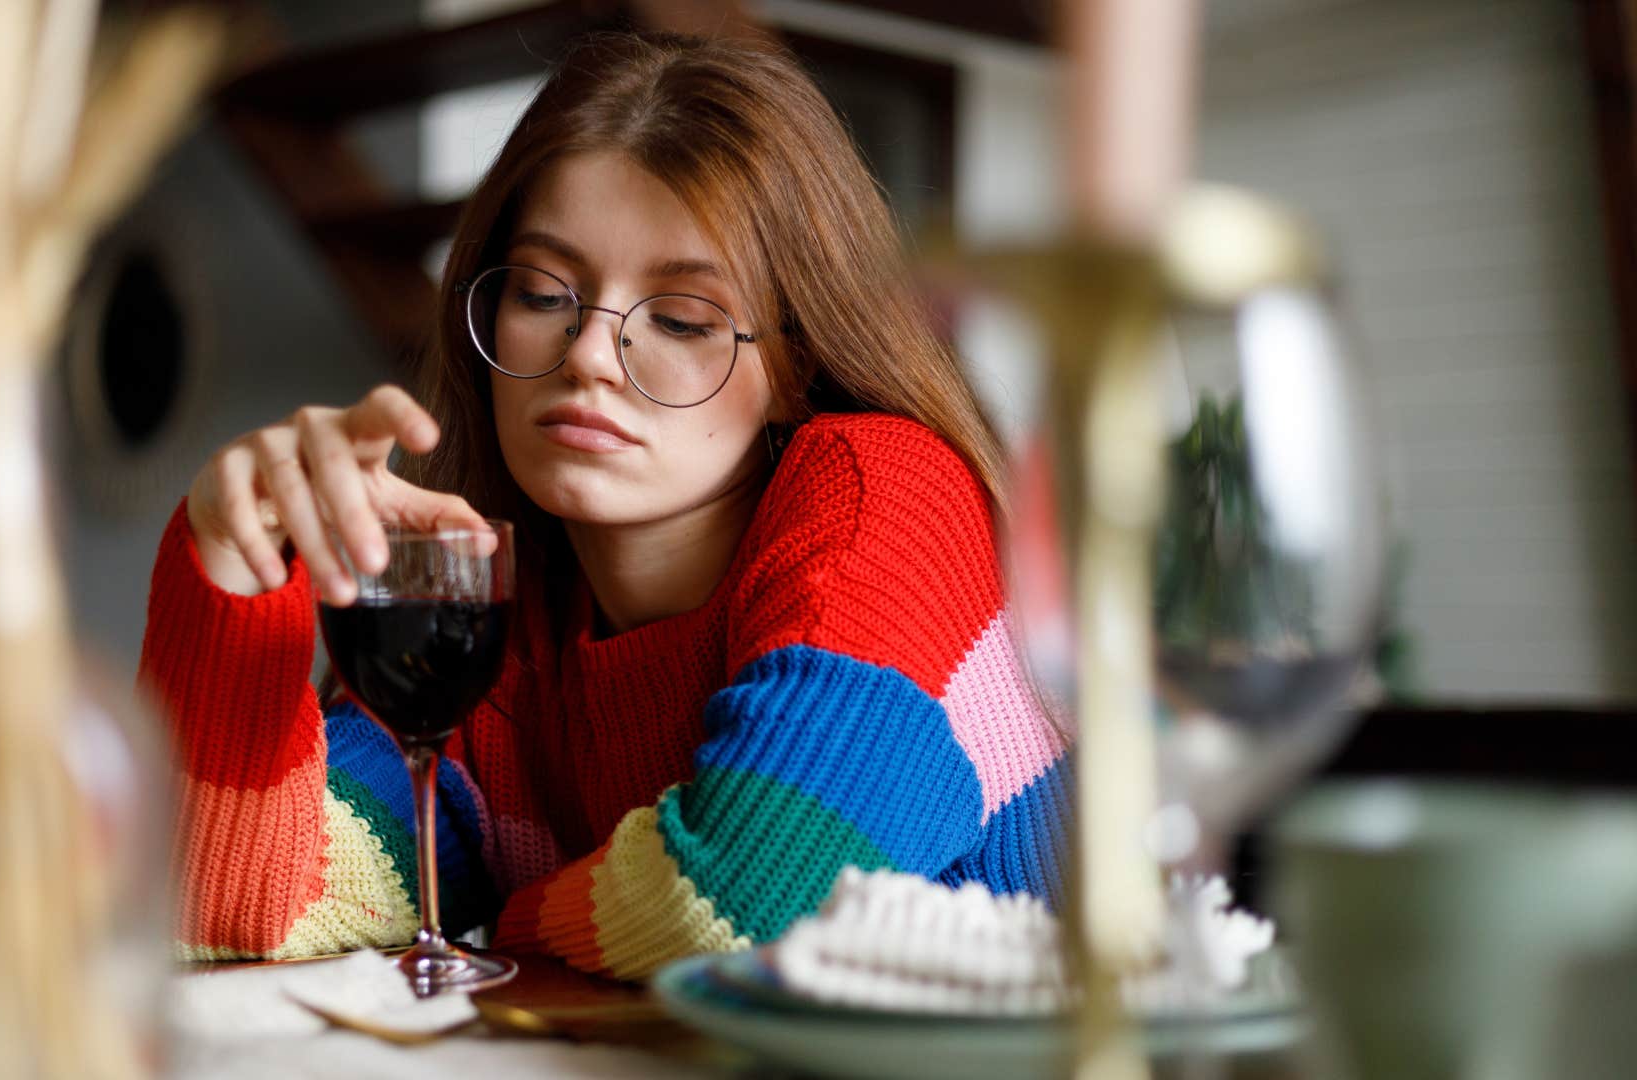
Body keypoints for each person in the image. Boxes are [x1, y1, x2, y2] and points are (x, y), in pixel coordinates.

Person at [139, 30, 1072, 977]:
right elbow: (231, 906)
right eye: (544, 294)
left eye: (680, 319)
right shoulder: (483, 635)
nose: (586, 355)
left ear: (797, 364)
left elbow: (750, 898)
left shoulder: (886, 492)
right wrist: (233, 573)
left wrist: (500, 930)